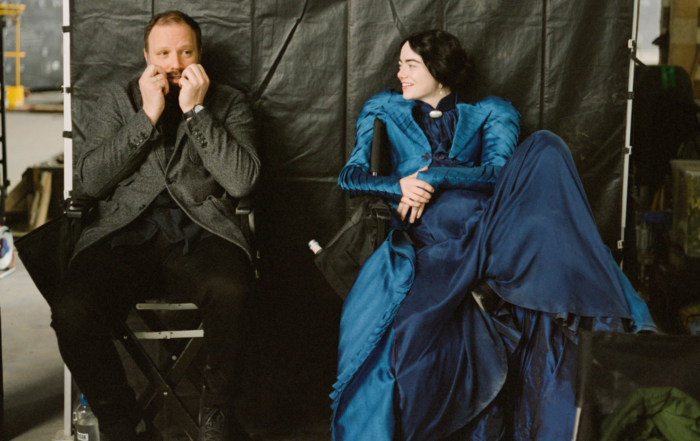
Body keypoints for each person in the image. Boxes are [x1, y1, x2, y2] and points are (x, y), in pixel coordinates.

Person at [331, 29, 656, 441]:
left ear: (439, 69)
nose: (400, 73)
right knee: (417, 330)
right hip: (433, 235)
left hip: (491, 223)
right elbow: (350, 176)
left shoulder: (490, 112)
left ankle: (608, 323)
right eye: (400, 64)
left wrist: (437, 175)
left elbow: (500, 176)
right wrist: (399, 185)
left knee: (547, 148)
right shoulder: (384, 108)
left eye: (411, 64)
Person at [49, 11, 259, 441]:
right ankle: (123, 420)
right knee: (71, 311)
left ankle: (216, 412)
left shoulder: (229, 102)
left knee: (234, 292)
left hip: (200, 234)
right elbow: (91, 182)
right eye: (163, 53)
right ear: (146, 56)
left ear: (200, 54)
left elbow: (242, 181)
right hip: (125, 236)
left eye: (185, 52)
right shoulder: (119, 99)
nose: (174, 63)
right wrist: (146, 115)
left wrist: (196, 112)